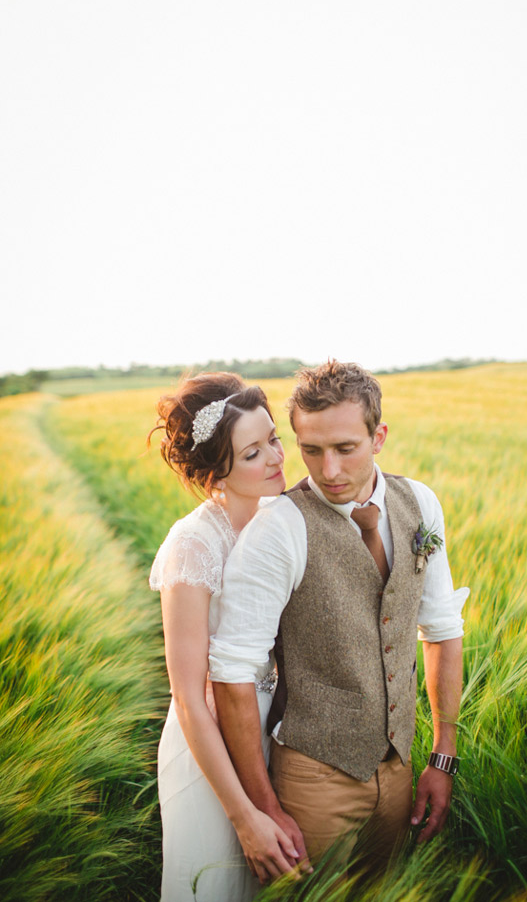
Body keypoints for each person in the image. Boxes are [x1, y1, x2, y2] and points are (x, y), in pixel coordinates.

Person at [210, 360, 469, 874]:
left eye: (345, 449)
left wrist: (443, 756)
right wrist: (265, 808)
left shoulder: (420, 504)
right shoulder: (278, 529)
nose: (328, 471)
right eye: (311, 450)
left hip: (400, 771)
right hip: (314, 780)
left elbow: (440, 629)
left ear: (379, 437)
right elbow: (232, 671)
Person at [148, 372, 307, 902]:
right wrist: (243, 814)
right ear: (217, 471)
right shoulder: (192, 545)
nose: (276, 458)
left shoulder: (279, 521)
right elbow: (189, 700)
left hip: (267, 736)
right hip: (207, 754)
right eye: (252, 453)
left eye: (274, 439)